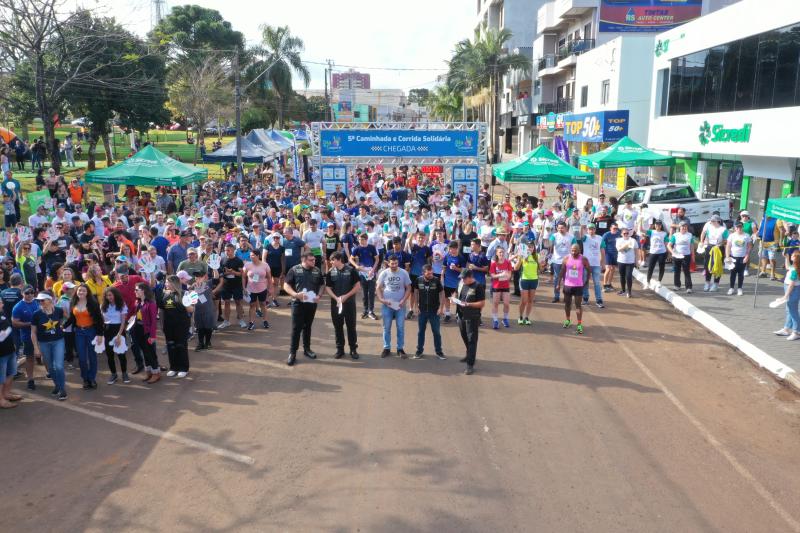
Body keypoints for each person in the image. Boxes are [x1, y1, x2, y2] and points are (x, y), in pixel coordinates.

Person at [283, 252, 324, 366]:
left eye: (314, 260)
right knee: (296, 328)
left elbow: (322, 285)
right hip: (298, 303)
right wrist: (295, 295)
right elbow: (286, 285)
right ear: (304, 260)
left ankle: (307, 349)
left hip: (311, 304)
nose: (314, 262)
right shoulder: (294, 270)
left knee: (308, 327)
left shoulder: (317, 270)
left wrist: (319, 296)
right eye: (311, 260)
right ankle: (292, 353)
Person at [31, 292, 67, 400]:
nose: (40, 302)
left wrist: (62, 326)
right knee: (50, 367)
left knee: (59, 366)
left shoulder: (59, 310)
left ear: (50, 300)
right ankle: (57, 385)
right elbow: (33, 332)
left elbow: (66, 318)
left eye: (42, 300)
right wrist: (36, 348)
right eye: (39, 301)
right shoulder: (36, 314)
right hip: (44, 343)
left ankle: (62, 389)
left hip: (58, 341)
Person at [324, 251, 360, 359]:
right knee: (337, 327)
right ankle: (340, 349)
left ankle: (353, 349)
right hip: (336, 304)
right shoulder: (330, 272)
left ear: (339, 259)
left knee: (351, 327)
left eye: (332, 260)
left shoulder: (351, 270)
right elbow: (328, 288)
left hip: (349, 304)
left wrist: (346, 296)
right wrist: (336, 298)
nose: (331, 262)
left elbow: (357, 286)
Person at [376, 254, 411, 358]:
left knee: (400, 328)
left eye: (396, 263)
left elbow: (408, 288)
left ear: (398, 263)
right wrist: (381, 299)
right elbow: (378, 287)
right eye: (392, 263)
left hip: (400, 306)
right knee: (386, 328)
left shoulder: (404, 273)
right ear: (388, 263)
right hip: (387, 305)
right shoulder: (384, 273)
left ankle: (400, 349)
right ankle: (386, 348)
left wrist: (403, 300)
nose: (394, 265)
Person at [159, 275, 192, 378]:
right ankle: (174, 367)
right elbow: (161, 311)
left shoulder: (184, 294)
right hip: (169, 326)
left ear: (173, 283)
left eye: (167, 282)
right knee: (171, 346)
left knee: (181, 346)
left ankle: (183, 368)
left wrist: (186, 302)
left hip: (181, 325)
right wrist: (162, 325)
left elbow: (191, 310)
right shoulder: (164, 294)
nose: (166, 284)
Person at [453, 268, 485, 375]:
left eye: (464, 278)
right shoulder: (461, 283)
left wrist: (468, 304)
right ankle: (469, 354)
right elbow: (456, 293)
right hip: (461, 314)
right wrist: (453, 298)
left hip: (472, 316)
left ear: (470, 277)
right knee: (464, 336)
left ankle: (470, 364)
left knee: (472, 339)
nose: (462, 279)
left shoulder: (478, 286)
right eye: (461, 278)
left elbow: (481, 303)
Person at [414, 264, 445, 359]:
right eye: (428, 273)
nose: (431, 275)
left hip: (434, 311)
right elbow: (416, 292)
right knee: (421, 332)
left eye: (431, 273)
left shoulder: (436, 280)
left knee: (436, 332)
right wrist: (416, 306)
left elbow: (442, 293)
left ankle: (439, 352)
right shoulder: (418, 280)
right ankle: (419, 351)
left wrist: (441, 307)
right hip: (422, 311)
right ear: (423, 273)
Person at [99, 286, 129, 385]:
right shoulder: (103, 305)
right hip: (107, 330)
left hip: (118, 330)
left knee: (121, 354)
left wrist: (119, 335)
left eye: (111, 295)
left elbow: (123, 322)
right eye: (107, 295)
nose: (109, 297)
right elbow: (103, 321)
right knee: (109, 354)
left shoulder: (121, 304)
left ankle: (124, 373)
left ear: (115, 295)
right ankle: (113, 374)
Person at [12, 285, 39, 390]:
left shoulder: (38, 302)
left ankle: (50, 373)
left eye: (32, 292)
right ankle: (30, 380)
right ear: (22, 293)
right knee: (30, 357)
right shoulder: (18, 307)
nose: (30, 295)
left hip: (42, 335)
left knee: (46, 356)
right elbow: (15, 323)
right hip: (27, 336)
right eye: (27, 293)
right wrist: (30, 324)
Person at [132, 282, 160, 383]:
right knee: (144, 352)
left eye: (136, 290)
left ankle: (156, 373)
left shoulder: (151, 304)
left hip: (147, 332)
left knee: (150, 353)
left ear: (143, 291)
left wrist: (153, 336)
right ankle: (149, 372)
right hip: (138, 330)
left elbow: (153, 322)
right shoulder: (138, 303)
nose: (135, 291)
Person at [559, 244, 590, 334]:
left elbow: (588, 270)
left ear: (579, 250)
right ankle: (568, 320)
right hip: (568, 285)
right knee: (567, 304)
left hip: (578, 286)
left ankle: (579, 324)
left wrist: (587, 281)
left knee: (578, 305)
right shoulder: (566, 258)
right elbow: (562, 271)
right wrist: (558, 283)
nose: (573, 252)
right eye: (572, 250)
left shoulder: (583, 259)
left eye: (575, 250)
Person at [214, 243, 245, 329]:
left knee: (238, 302)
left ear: (233, 250)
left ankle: (241, 320)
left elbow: (241, 274)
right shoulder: (222, 260)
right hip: (226, 285)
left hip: (236, 285)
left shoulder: (239, 261)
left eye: (228, 250)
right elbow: (220, 273)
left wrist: (233, 272)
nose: (227, 252)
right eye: (225, 250)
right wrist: (226, 273)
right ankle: (226, 321)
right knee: (226, 302)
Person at [349, 232, 379, 320]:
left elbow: (377, 260)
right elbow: (350, 259)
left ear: (366, 239)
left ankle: (371, 311)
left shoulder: (372, 247)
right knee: (364, 292)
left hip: (371, 272)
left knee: (371, 292)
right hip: (362, 272)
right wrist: (356, 266)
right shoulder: (357, 248)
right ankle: (365, 310)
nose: (360, 241)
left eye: (361, 239)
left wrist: (373, 270)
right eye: (359, 239)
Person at [243, 250, 271, 330]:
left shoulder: (265, 265)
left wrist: (270, 288)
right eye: (250, 256)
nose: (251, 257)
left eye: (253, 255)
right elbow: (243, 277)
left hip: (262, 288)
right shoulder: (247, 265)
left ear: (258, 256)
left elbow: (269, 277)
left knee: (263, 304)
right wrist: (244, 288)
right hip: (251, 289)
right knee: (252, 305)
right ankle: (251, 322)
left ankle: (265, 321)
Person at [775, 251, 800, 341]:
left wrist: (785, 296)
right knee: (789, 310)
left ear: (796, 258)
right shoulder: (794, 267)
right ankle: (786, 329)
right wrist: (786, 257)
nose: (791, 256)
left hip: (792, 290)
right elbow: (787, 267)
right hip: (790, 289)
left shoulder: (795, 270)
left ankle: (796, 332)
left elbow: (791, 284)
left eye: (793, 256)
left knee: (793, 312)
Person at [700, 214, 728, 292]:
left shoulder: (723, 229)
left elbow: (726, 241)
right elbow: (706, 236)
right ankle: (707, 282)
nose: (711, 222)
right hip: (710, 247)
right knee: (707, 265)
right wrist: (703, 242)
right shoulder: (709, 227)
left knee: (717, 266)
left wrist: (722, 248)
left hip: (719, 248)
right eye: (711, 221)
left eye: (713, 221)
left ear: (718, 221)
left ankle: (716, 283)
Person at [511, 245, 538, 325]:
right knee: (524, 300)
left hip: (534, 280)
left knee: (530, 300)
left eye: (531, 247)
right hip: (524, 280)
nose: (530, 248)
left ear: (534, 248)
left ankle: (526, 317)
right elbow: (515, 268)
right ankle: (520, 317)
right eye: (528, 247)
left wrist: (543, 264)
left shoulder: (537, 256)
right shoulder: (522, 256)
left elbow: (541, 269)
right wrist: (519, 259)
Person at [580, 223, 604, 308]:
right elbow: (580, 236)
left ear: (595, 229)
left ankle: (599, 300)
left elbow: (602, 250)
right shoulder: (585, 237)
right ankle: (585, 298)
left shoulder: (600, 238)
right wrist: (581, 227)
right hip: (586, 264)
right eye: (589, 229)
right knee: (585, 282)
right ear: (587, 230)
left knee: (597, 283)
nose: (591, 230)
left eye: (592, 229)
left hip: (596, 264)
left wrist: (602, 263)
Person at [0, 304, 19, 408]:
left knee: (11, 373)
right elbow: (2, 336)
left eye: (1, 302)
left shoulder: (2, 313)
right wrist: (7, 331)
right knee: (0, 379)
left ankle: (6, 394)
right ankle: (1, 400)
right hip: (1, 354)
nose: (2, 304)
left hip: (10, 350)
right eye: (0, 302)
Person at [726, 221, 752, 296]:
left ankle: (740, 288)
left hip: (742, 257)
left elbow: (749, 246)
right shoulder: (732, 236)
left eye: (740, 227)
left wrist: (747, 256)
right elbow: (728, 246)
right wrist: (728, 256)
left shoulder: (746, 236)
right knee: (733, 273)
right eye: (737, 227)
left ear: (742, 227)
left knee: (741, 274)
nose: (739, 228)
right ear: (735, 228)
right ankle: (731, 288)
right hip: (733, 257)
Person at [667, 221, 695, 293]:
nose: (684, 228)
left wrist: (693, 255)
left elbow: (692, 246)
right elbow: (669, 245)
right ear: (680, 227)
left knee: (686, 271)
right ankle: (677, 285)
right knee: (677, 271)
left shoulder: (690, 235)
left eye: (685, 226)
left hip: (686, 255)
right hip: (677, 256)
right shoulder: (675, 235)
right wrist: (673, 253)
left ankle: (688, 287)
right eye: (682, 226)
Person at [192, 270, 217, 351]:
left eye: (200, 276)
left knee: (208, 327)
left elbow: (216, 277)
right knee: (200, 328)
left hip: (208, 310)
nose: (197, 278)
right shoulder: (194, 286)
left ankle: (207, 342)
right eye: (196, 276)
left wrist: (215, 267)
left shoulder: (208, 283)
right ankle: (200, 343)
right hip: (198, 310)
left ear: (204, 277)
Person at [440, 241, 464, 323]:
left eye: (451, 249)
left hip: (457, 282)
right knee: (446, 298)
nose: (450, 250)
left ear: (456, 249)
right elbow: (444, 267)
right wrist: (442, 275)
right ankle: (447, 314)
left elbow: (464, 270)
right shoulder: (447, 256)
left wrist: (456, 269)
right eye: (449, 249)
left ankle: (458, 314)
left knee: (456, 299)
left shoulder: (461, 258)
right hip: (447, 281)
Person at [489, 247, 512, 329]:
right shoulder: (494, 264)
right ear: (496, 254)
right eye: (500, 252)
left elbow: (509, 275)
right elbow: (492, 275)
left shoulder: (508, 262)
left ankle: (505, 319)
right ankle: (495, 320)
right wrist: (500, 275)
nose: (501, 254)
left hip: (506, 286)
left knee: (506, 303)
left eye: (502, 252)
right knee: (495, 303)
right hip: (496, 286)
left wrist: (507, 276)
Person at [645, 219, 668, 289]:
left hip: (662, 252)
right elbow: (641, 230)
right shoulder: (651, 232)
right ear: (655, 225)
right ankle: (648, 282)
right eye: (656, 224)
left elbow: (666, 243)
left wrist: (668, 253)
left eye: (659, 224)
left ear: (661, 226)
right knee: (650, 268)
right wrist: (640, 220)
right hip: (653, 252)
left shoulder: (664, 233)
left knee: (662, 267)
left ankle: (659, 281)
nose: (658, 226)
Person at [615, 227, 638, 298]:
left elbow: (636, 251)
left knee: (628, 276)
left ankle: (629, 292)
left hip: (630, 261)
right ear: (621, 234)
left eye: (627, 233)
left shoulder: (633, 240)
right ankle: (623, 290)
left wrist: (636, 261)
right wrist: (627, 245)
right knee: (622, 276)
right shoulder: (619, 240)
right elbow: (619, 249)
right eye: (624, 233)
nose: (626, 234)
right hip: (621, 261)